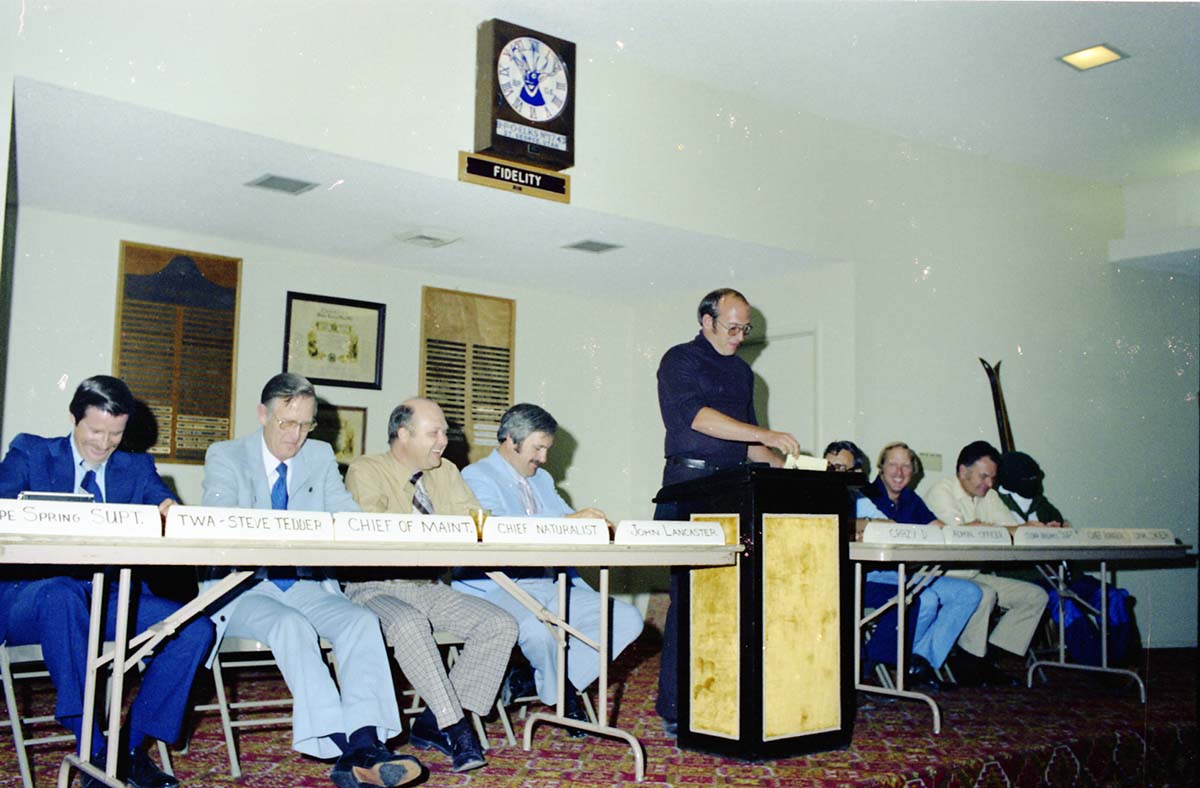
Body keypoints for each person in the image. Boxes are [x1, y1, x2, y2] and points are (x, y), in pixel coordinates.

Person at [201, 373, 421, 788]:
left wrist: (371, 529)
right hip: (244, 587)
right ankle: (349, 747)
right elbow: (220, 521)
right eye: (286, 423)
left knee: (360, 621)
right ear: (262, 414)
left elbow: (344, 512)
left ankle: (364, 741)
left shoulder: (318, 455)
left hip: (304, 584)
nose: (296, 435)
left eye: (306, 424)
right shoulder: (226, 455)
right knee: (291, 626)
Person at [0, 375, 213, 788]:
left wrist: (172, 511)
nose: (103, 444)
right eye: (95, 431)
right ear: (73, 419)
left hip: (105, 596)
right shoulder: (30, 452)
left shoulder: (136, 467)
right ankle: (92, 747)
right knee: (61, 593)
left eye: (115, 434)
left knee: (194, 628)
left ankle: (128, 751)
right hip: (30, 597)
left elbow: (160, 500)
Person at [653, 287, 801, 733]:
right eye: (732, 327)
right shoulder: (679, 360)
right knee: (689, 604)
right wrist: (767, 434)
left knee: (737, 602)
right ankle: (677, 710)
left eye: (745, 328)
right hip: (690, 486)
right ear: (706, 320)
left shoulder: (742, 373)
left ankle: (729, 700)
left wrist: (797, 469)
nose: (739, 336)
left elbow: (753, 447)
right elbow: (697, 418)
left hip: (734, 491)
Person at [342, 398, 517, 772]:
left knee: (500, 624)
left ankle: (432, 722)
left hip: (431, 586)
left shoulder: (447, 471)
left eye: (444, 432)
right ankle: (456, 728)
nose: (443, 440)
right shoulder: (365, 470)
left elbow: (473, 524)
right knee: (409, 624)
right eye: (433, 432)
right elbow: (380, 530)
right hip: (375, 587)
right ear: (402, 434)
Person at [456, 403, 644, 732]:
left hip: (548, 584)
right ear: (511, 439)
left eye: (546, 449)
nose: (543, 458)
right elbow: (502, 529)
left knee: (626, 619)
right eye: (538, 448)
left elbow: (569, 519)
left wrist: (599, 526)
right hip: (498, 586)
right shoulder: (475, 476)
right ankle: (563, 698)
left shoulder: (541, 479)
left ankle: (534, 680)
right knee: (538, 631)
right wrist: (571, 520)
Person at [823, 441, 979, 690]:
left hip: (902, 571)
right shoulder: (865, 494)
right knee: (923, 599)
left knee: (969, 593)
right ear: (880, 468)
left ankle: (918, 661)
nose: (898, 472)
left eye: (905, 466)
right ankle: (880, 661)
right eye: (830, 467)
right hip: (870, 576)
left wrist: (971, 531)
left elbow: (892, 527)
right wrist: (864, 526)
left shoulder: (881, 497)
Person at [925, 440, 1051, 685]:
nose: (990, 484)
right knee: (985, 594)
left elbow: (1011, 530)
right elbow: (963, 534)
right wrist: (1011, 529)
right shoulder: (942, 490)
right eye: (984, 476)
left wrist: (1039, 529)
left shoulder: (989, 495)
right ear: (963, 471)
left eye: (992, 478)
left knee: (1036, 597)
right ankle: (973, 663)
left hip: (973, 574)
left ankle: (984, 658)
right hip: (944, 576)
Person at [996, 451, 1067, 527]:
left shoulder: (1043, 506)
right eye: (1027, 479)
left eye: (1035, 478)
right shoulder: (995, 502)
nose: (1033, 482)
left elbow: (1060, 525)